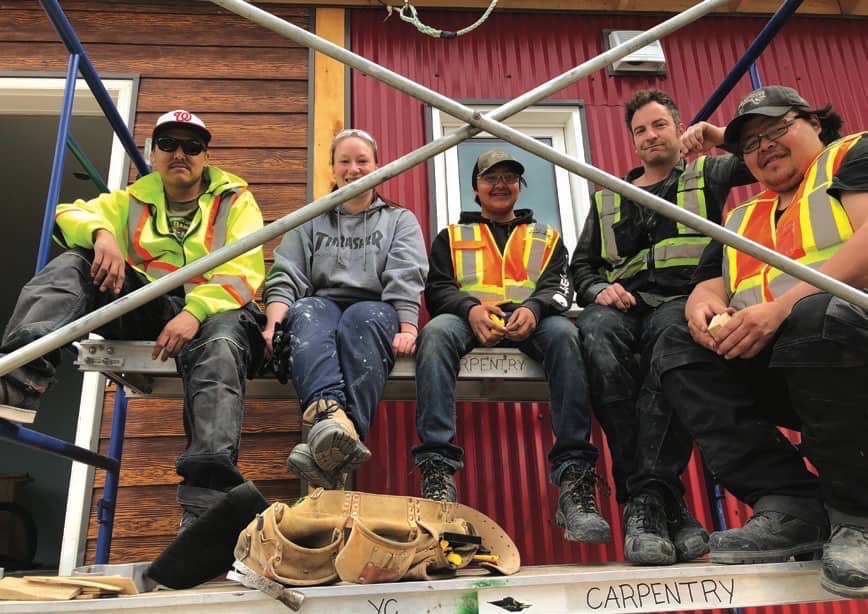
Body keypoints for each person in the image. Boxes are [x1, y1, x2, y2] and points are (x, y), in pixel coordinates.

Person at [0, 110, 267, 530]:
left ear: (205, 156)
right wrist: (101, 236)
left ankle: (207, 503)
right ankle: (19, 380)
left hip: (217, 312)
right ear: (153, 152)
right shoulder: (132, 199)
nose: (180, 153)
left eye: (192, 146)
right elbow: (68, 213)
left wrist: (194, 314)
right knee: (75, 262)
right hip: (152, 309)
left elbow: (245, 270)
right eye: (169, 144)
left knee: (220, 344)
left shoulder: (236, 201)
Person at [652, 85, 868, 598]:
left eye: (777, 130)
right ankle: (791, 503)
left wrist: (781, 308)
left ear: (816, 122)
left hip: (852, 348)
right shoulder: (741, 218)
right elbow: (710, 282)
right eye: (751, 144)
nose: (765, 146)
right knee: (675, 340)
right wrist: (700, 309)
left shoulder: (854, 155)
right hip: (796, 366)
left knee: (818, 313)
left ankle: (858, 517)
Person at [570, 89, 756, 564]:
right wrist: (596, 291)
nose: (650, 136)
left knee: (669, 343)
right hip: (623, 306)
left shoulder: (707, 173)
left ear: (678, 129)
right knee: (594, 333)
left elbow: (762, 156)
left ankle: (645, 500)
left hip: (686, 299)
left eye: (659, 125)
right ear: (632, 141)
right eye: (640, 130)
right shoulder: (608, 195)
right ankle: (662, 500)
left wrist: (719, 136)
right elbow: (583, 267)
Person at [412, 149, 611, 545]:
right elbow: (438, 289)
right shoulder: (450, 237)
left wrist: (536, 310)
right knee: (434, 335)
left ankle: (574, 479)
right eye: (490, 178)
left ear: (520, 186)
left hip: (532, 322)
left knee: (566, 336)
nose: (500, 185)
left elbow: (560, 287)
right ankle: (437, 471)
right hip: (470, 320)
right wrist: (469, 310)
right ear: (475, 189)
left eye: (509, 177)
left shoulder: (548, 236)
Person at [264, 128, 427, 490]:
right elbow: (286, 272)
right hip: (322, 303)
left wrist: (407, 326)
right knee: (305, 312)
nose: (354, 169)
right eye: (345, 162)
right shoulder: (311, 218)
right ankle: (336, 424)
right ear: (333, 169)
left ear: (378, 167)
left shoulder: (399, 220)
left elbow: (406, 275)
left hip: (375, 308)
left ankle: (329, 438)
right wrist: (274, 323)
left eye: (362, 161)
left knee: (360, 318)